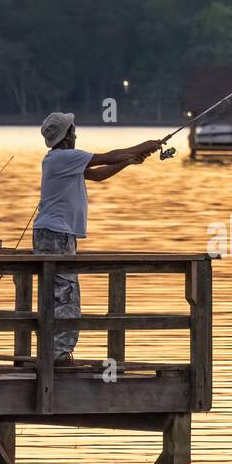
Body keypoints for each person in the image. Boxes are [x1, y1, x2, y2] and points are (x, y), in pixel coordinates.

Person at [34, 112, 161, 365]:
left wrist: (130, 160)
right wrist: (145, 146)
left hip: (58, 234)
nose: (76, 134)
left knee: (59, 294)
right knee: (66, 296)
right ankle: (57, 355)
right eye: (73, 130)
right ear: (67, 135)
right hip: (56, 235)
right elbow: (107, 157)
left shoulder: (63, 161)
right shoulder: (64, 157)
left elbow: (100, 173)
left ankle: (55, 353)